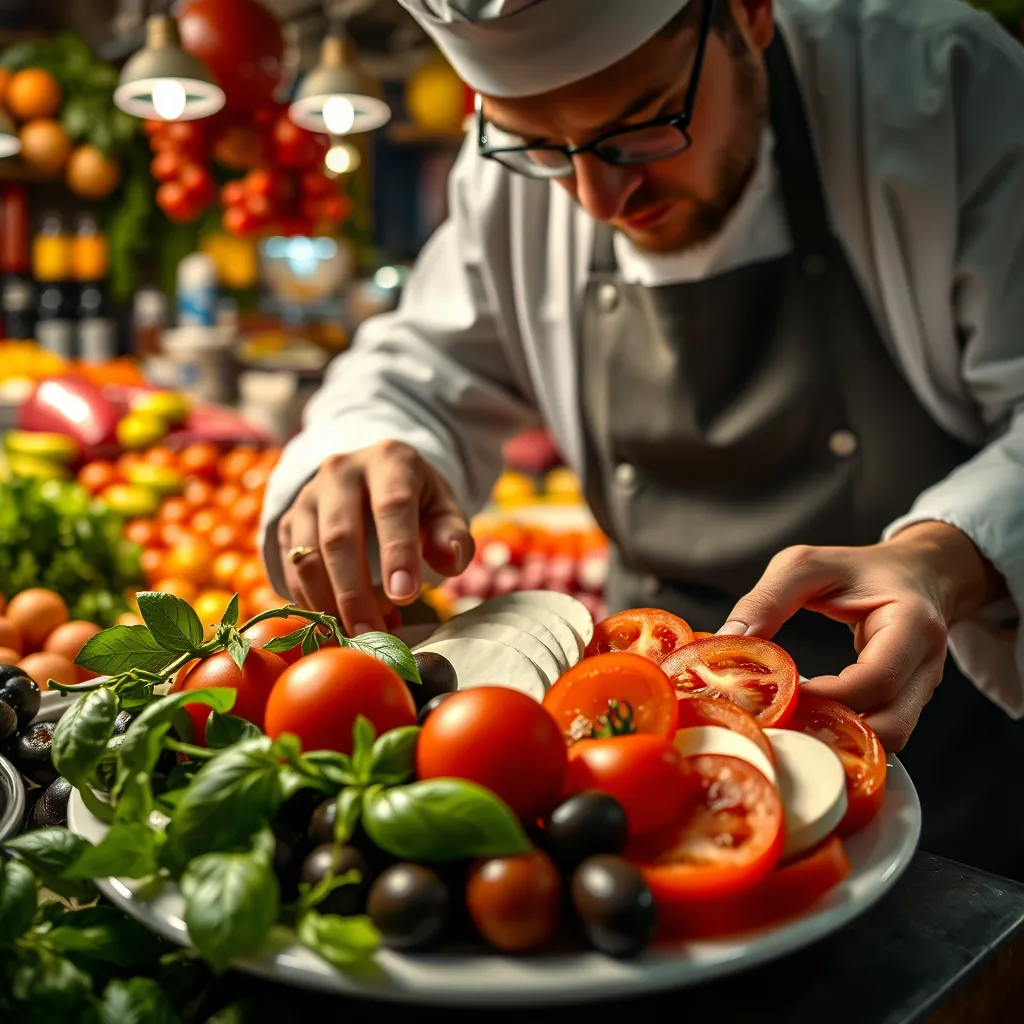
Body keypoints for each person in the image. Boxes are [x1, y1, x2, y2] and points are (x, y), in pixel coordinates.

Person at [261, 0, 1024, 878]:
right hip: (628, 780)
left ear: (747, 13)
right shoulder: (517, 172)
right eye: (538, 150)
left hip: (951, 767)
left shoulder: (940, 90)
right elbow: (416, 362)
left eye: (643, 125)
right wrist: (367, 448)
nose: (597, 199)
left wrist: (942, 559)